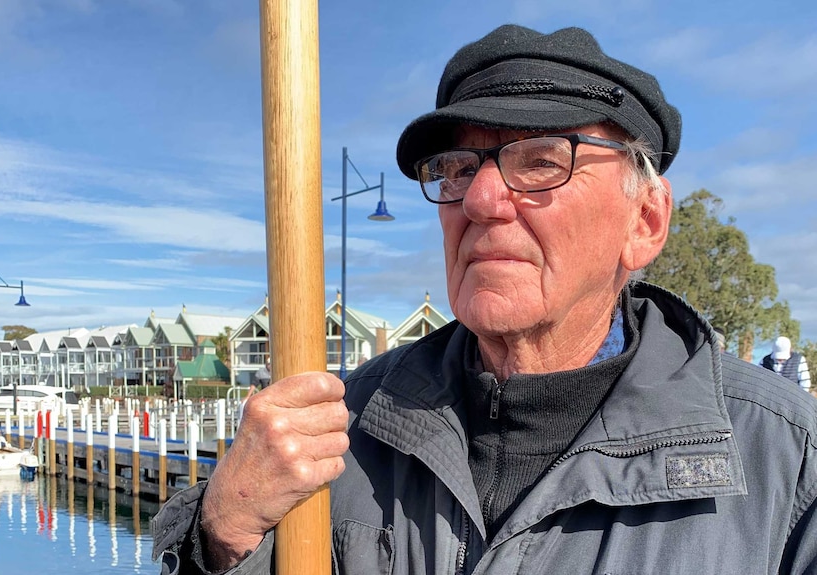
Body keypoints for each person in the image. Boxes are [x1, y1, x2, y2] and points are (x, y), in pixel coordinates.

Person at [152, 25, 817, 574]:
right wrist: (224, 531)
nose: (477, 199)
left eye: (540, 159)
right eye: (456, 169)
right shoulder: (340, 429)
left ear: (644, 221)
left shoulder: (787, 466)